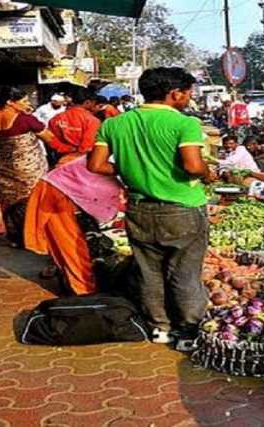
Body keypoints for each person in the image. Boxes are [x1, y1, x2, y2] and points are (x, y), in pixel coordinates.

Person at [86, 67, 216, 350]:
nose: (189, 99)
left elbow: (95, 165)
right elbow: (193, 166)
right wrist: (207, 173)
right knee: (185, 272)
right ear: (174, 94)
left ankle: (160, 328)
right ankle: (188, 331)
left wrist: (131, 169)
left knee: (149, 272)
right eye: (188, 93)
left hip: (139, 209)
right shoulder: (185, 124)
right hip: (182, 208)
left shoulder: (114, 124)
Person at [24, 157, 125, 295]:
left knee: (72, 246)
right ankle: (85, 294)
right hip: (61, 190)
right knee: (72, 247)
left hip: (72, 186)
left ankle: (83, 288)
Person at [0, 86, 55, 247]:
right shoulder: (25, 120)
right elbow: (50, 139)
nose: (27, 103)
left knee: (8, 201)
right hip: (27, 169)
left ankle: (16, 238)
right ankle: (33, 237)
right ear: (10, 102)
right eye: (24, 100)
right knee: (32, 201)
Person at [46, 85, 101, 164]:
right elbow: (87, 147)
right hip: (82, 162)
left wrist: (65, 149)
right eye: (94, 103)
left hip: (61, 159)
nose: (94, 105)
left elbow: (50, 139)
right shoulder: (92, 121)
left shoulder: (56, 118)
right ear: (87, 102)